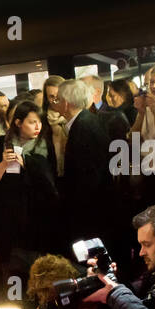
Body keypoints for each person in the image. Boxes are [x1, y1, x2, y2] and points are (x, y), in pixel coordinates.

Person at [0, 101, 62, 283]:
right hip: (9, 216)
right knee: (12, 271)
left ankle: (41, 305)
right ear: (18, 123)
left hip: (37, 217)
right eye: (32, 122)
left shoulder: (44, 145)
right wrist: (4, 162)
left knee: (39, 270)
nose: (37, 126)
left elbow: (50, 183)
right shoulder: (0, 143)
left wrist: (28, 163)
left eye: (39, 122)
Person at [58, 78, 116, 249]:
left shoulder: (83, 126)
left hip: (93, 208)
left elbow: (88, 173)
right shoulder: (85, 121)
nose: (56, 104)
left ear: (66, 103)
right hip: (96, 204)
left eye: (58, 100)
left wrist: (78, 209)